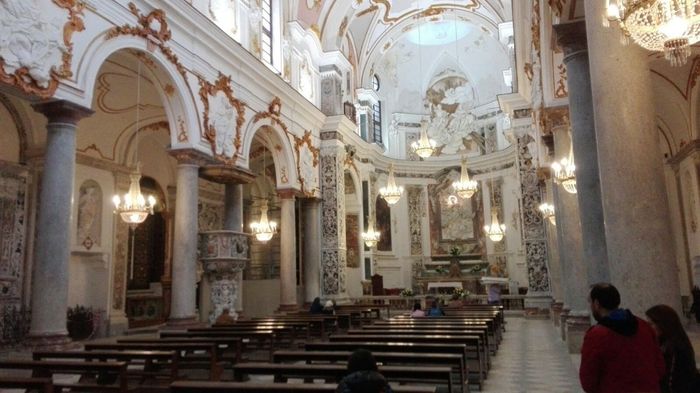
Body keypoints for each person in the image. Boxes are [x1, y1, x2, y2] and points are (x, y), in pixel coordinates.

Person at [579, 283, 665, 393]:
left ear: (596, 304)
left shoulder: (596, 336)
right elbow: (660, 367)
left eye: (590, 302)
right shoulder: (644, 326)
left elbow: (588, 382)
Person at [645, 304, 699, 393]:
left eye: (650, 323)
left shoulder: (676, 347)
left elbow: (674, 381)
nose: (648, 327)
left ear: (663, 324)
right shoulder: (663, 342)